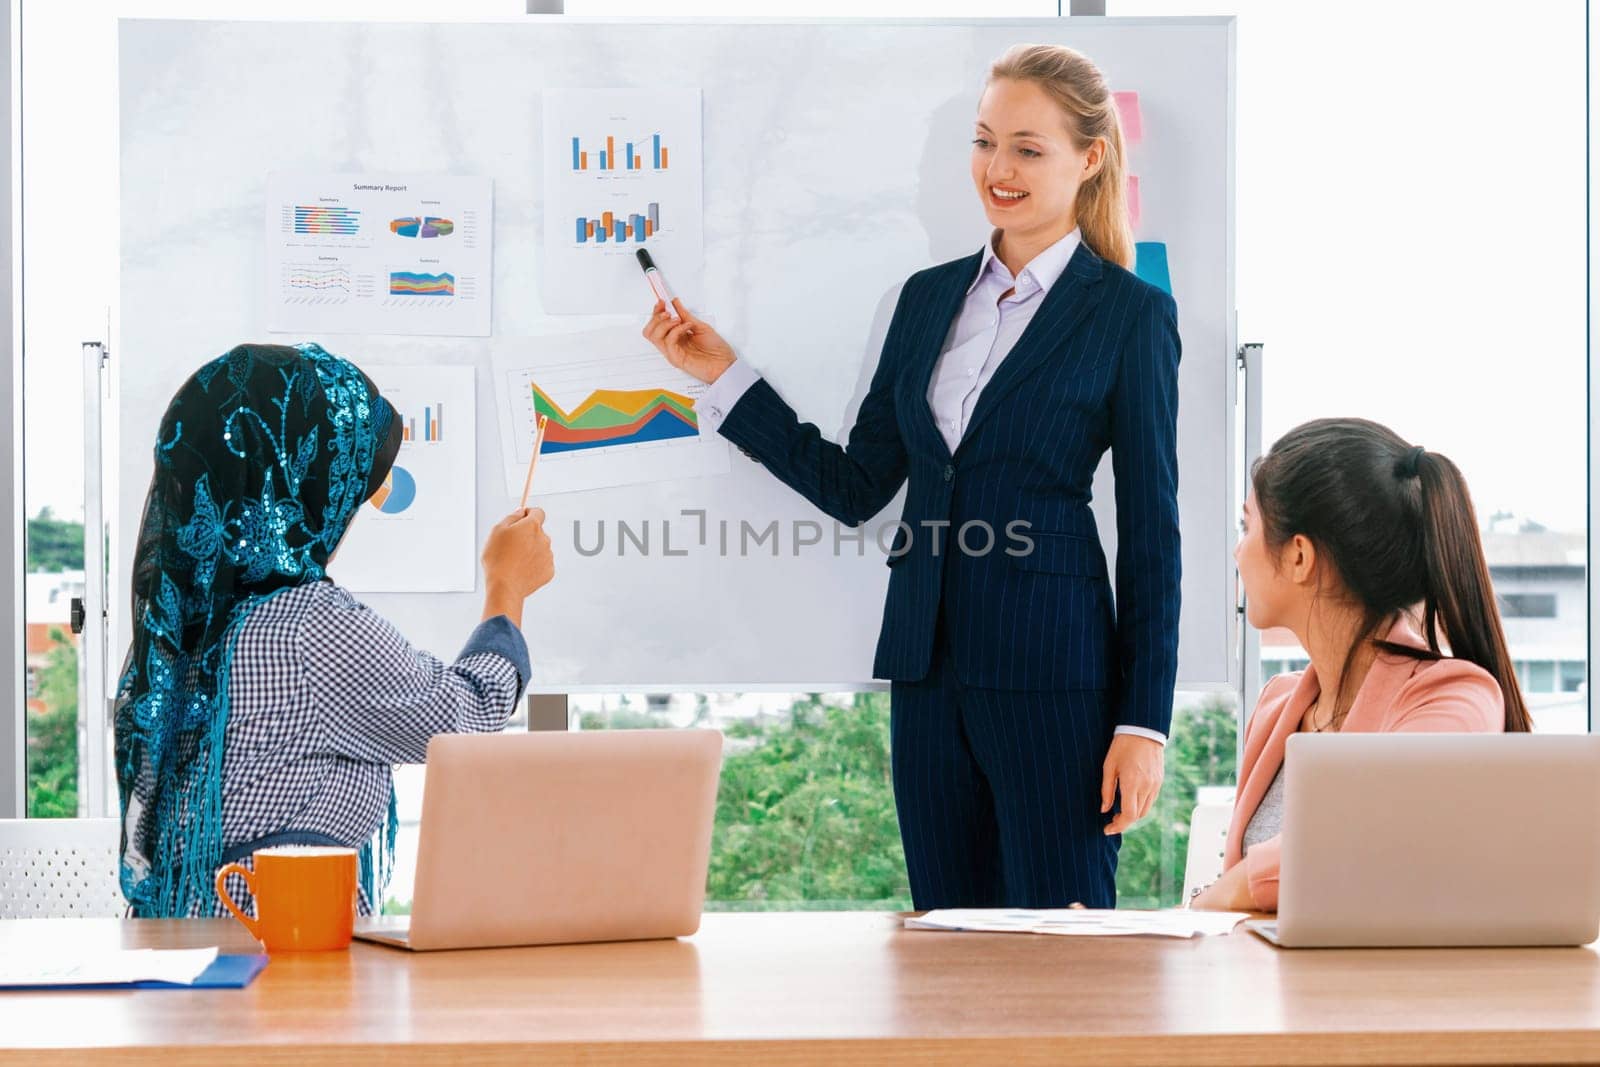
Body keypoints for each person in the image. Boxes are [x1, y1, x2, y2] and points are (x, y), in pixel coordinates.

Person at [641, 44, 1180, 909]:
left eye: (1028, 149)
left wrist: (1142, 721)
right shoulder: (927, 300)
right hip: (926, 675)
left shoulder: (1130, 314)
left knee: (1063, 958)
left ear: (1090, 158)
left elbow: (1154, 533)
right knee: (950, 943)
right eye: (984, 141)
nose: (998, 169)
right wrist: (726, 376)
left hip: (1057, 678)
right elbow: (858, 484)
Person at [114, 342, 554, 918]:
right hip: (275, 951)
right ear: (302, 481)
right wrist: (507, 586)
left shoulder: (178, 629)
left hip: (184, 951)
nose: (362, 499)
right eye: (349, 474)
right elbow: (465, 715)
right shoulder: (305, 626)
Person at [1191, 418, 1529, 912]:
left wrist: (1228, 893)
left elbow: (1375, 830)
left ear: (1300, 556)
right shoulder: (1278, 705)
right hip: (1267, 986)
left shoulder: (1454, 697)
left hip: (1389, 989)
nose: (1239, 550)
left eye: (1248, 526)